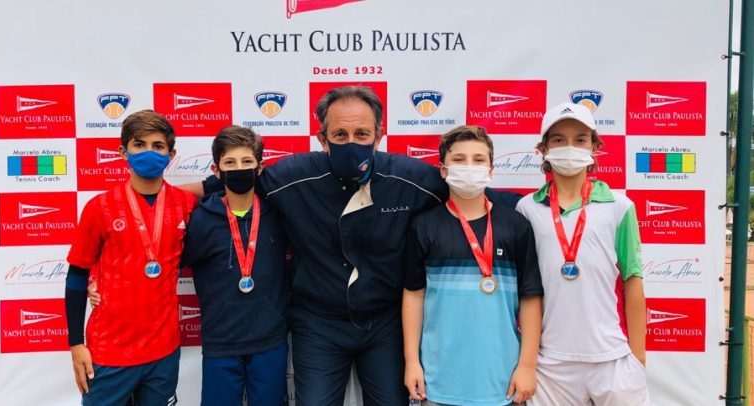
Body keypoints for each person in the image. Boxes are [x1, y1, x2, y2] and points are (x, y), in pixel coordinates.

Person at [187, 85, 521, 405]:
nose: (351, 143)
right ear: (322, 139)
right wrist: (166, 196)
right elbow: (230, 181)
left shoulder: (409, 177)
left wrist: (534, 204)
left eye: (362, 134)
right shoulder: (292, 176)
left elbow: (470, 193)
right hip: (317, 324)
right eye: (340, 135)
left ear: (379, 136)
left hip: (384, 323)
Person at [515, 103, 649, 405]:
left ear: (594, 147)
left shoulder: (619, 206)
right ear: (543, 149)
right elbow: (527, 289)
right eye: (559, 139)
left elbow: (633, 279)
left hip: (613, 358)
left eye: (580, 139)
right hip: (550, 362)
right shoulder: (527, 208)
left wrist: (638, 358)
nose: (570, 147)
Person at [402, 125, 543, 405]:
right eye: (459, 159)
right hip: (438, 381)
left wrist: (527, 366)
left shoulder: (516, 225)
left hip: (502, 381)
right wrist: (412, 362)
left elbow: (530, 298)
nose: (469, 166)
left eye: (478, 160)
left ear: (490, 170)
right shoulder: (424, 225)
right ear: (443, 170)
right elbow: (414, 295)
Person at [64, 109, 197, 405]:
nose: (149, 152)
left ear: (171, 154)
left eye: (158, 146)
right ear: (123, 152)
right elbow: (76, 276)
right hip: (109, 352)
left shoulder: (185, 204)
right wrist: (75, 344)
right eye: (139, 144)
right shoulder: (99, 207)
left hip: (163, 351)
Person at [181, 125, 290, 405]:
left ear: (260, 167)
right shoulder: (201, 219)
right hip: (221, 342)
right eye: (230, 163)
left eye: (246, 161)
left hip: (269, 339)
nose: (239, 168)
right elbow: (166, 263)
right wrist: (101, 281)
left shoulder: (279, 213)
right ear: (216, 171)